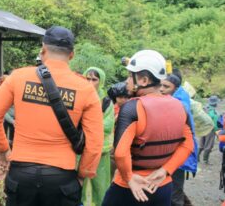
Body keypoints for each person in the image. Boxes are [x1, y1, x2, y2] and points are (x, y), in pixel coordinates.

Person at [0, 25, 104, 206]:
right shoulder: (85, 88)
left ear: (43, 50)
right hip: (61, 176)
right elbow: (94, 144)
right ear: (72, 55)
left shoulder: (18, 77)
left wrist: (5, 149)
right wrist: (83, 174)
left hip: (21, 173)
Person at [102, 50, 194, 206]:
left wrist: (129, 177)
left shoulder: (132, 108)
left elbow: (120, 153)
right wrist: (165, 170)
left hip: (129, 187)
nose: (126, 81)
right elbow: (188, 145)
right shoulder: (180, 107)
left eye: (130, 76)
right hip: (162, 186)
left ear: (144, 80)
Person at [160, 71, 198, 206]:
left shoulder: (180, 105)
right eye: (161, 85)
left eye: (166, 86)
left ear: (175, 89)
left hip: (179, 156)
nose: (162, 89)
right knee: (172, 189)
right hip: (172, 154)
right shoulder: (177, 99)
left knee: (174, 194)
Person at [81, 67, 115, 206]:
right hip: (81, 148)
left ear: (100, 81)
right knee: (80, 181)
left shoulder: (106, 102)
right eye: (87, 78)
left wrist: (87, 125)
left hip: (100, 151)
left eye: (94, 79)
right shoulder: (78, 96)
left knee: (100, 182)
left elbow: (107, 125)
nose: (90, 82)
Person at [198, 95, 219, 164]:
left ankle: (197, 158)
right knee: (208, 145)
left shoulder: (205, 108)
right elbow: (215, 124)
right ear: (215, 103)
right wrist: (217, 131)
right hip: (210, 130)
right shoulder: (214, 112)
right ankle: (205, 160)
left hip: (203, 128)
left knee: (201, 144)